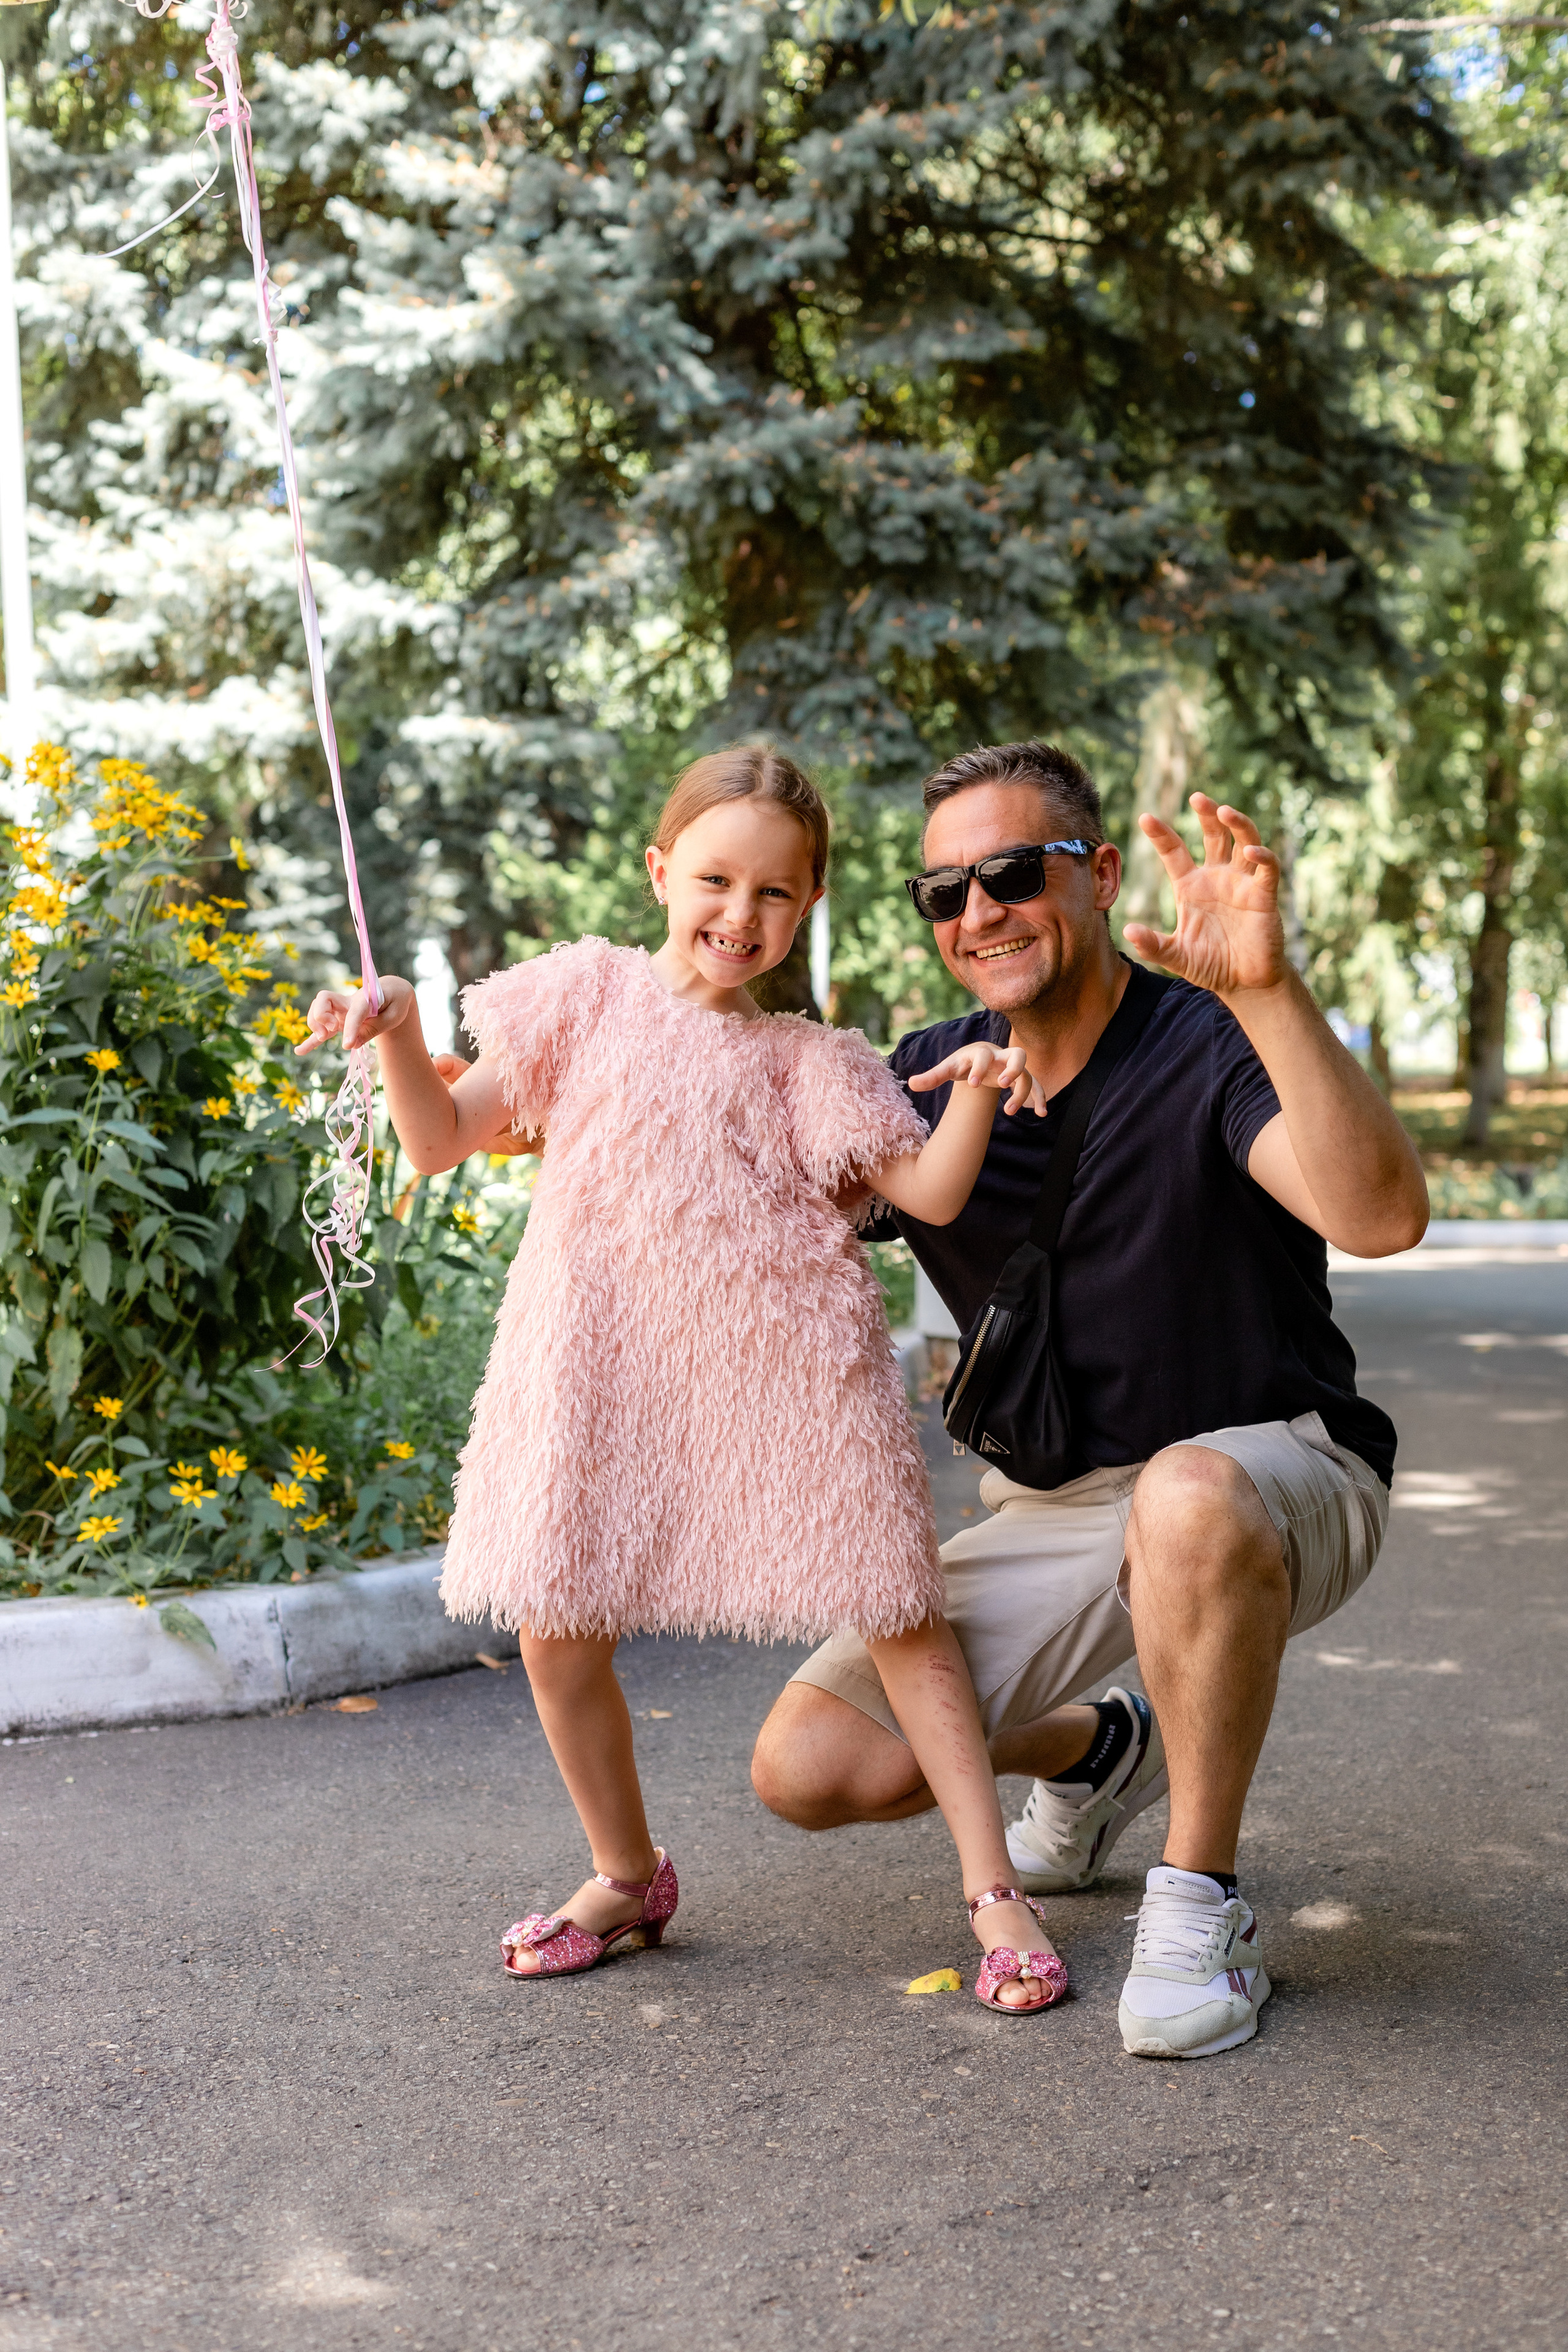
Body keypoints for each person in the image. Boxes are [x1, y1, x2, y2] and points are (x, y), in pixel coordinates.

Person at [297, 745, 1075, 2013]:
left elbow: (928, 1190)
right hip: (597, 1360)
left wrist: (982, 1087)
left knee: (898, 1616)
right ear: (661, 873)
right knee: (553, 1630)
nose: (739, 916)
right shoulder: (581, 1004)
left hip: (781, 1367)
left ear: (808, 903)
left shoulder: (811, 1063)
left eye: (774, 894)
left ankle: (993, 1886)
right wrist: (399, 1034)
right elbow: (436, 1142)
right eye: (714, 880)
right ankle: (625, 1873)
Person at [751, 739, 1429, 2060]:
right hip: (1057, 1502)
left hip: (1267, 1473)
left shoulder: (1215, 1044)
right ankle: (1096, 1753)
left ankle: (1199, 1902)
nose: (978, 912)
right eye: (941, 892)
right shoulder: (928, 1078)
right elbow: (756, 1194)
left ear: (1099, 874)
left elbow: (1380, 1215)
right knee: (813, 1768)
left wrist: (1272, 991)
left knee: (1182, 1496)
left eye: (1011, 871)